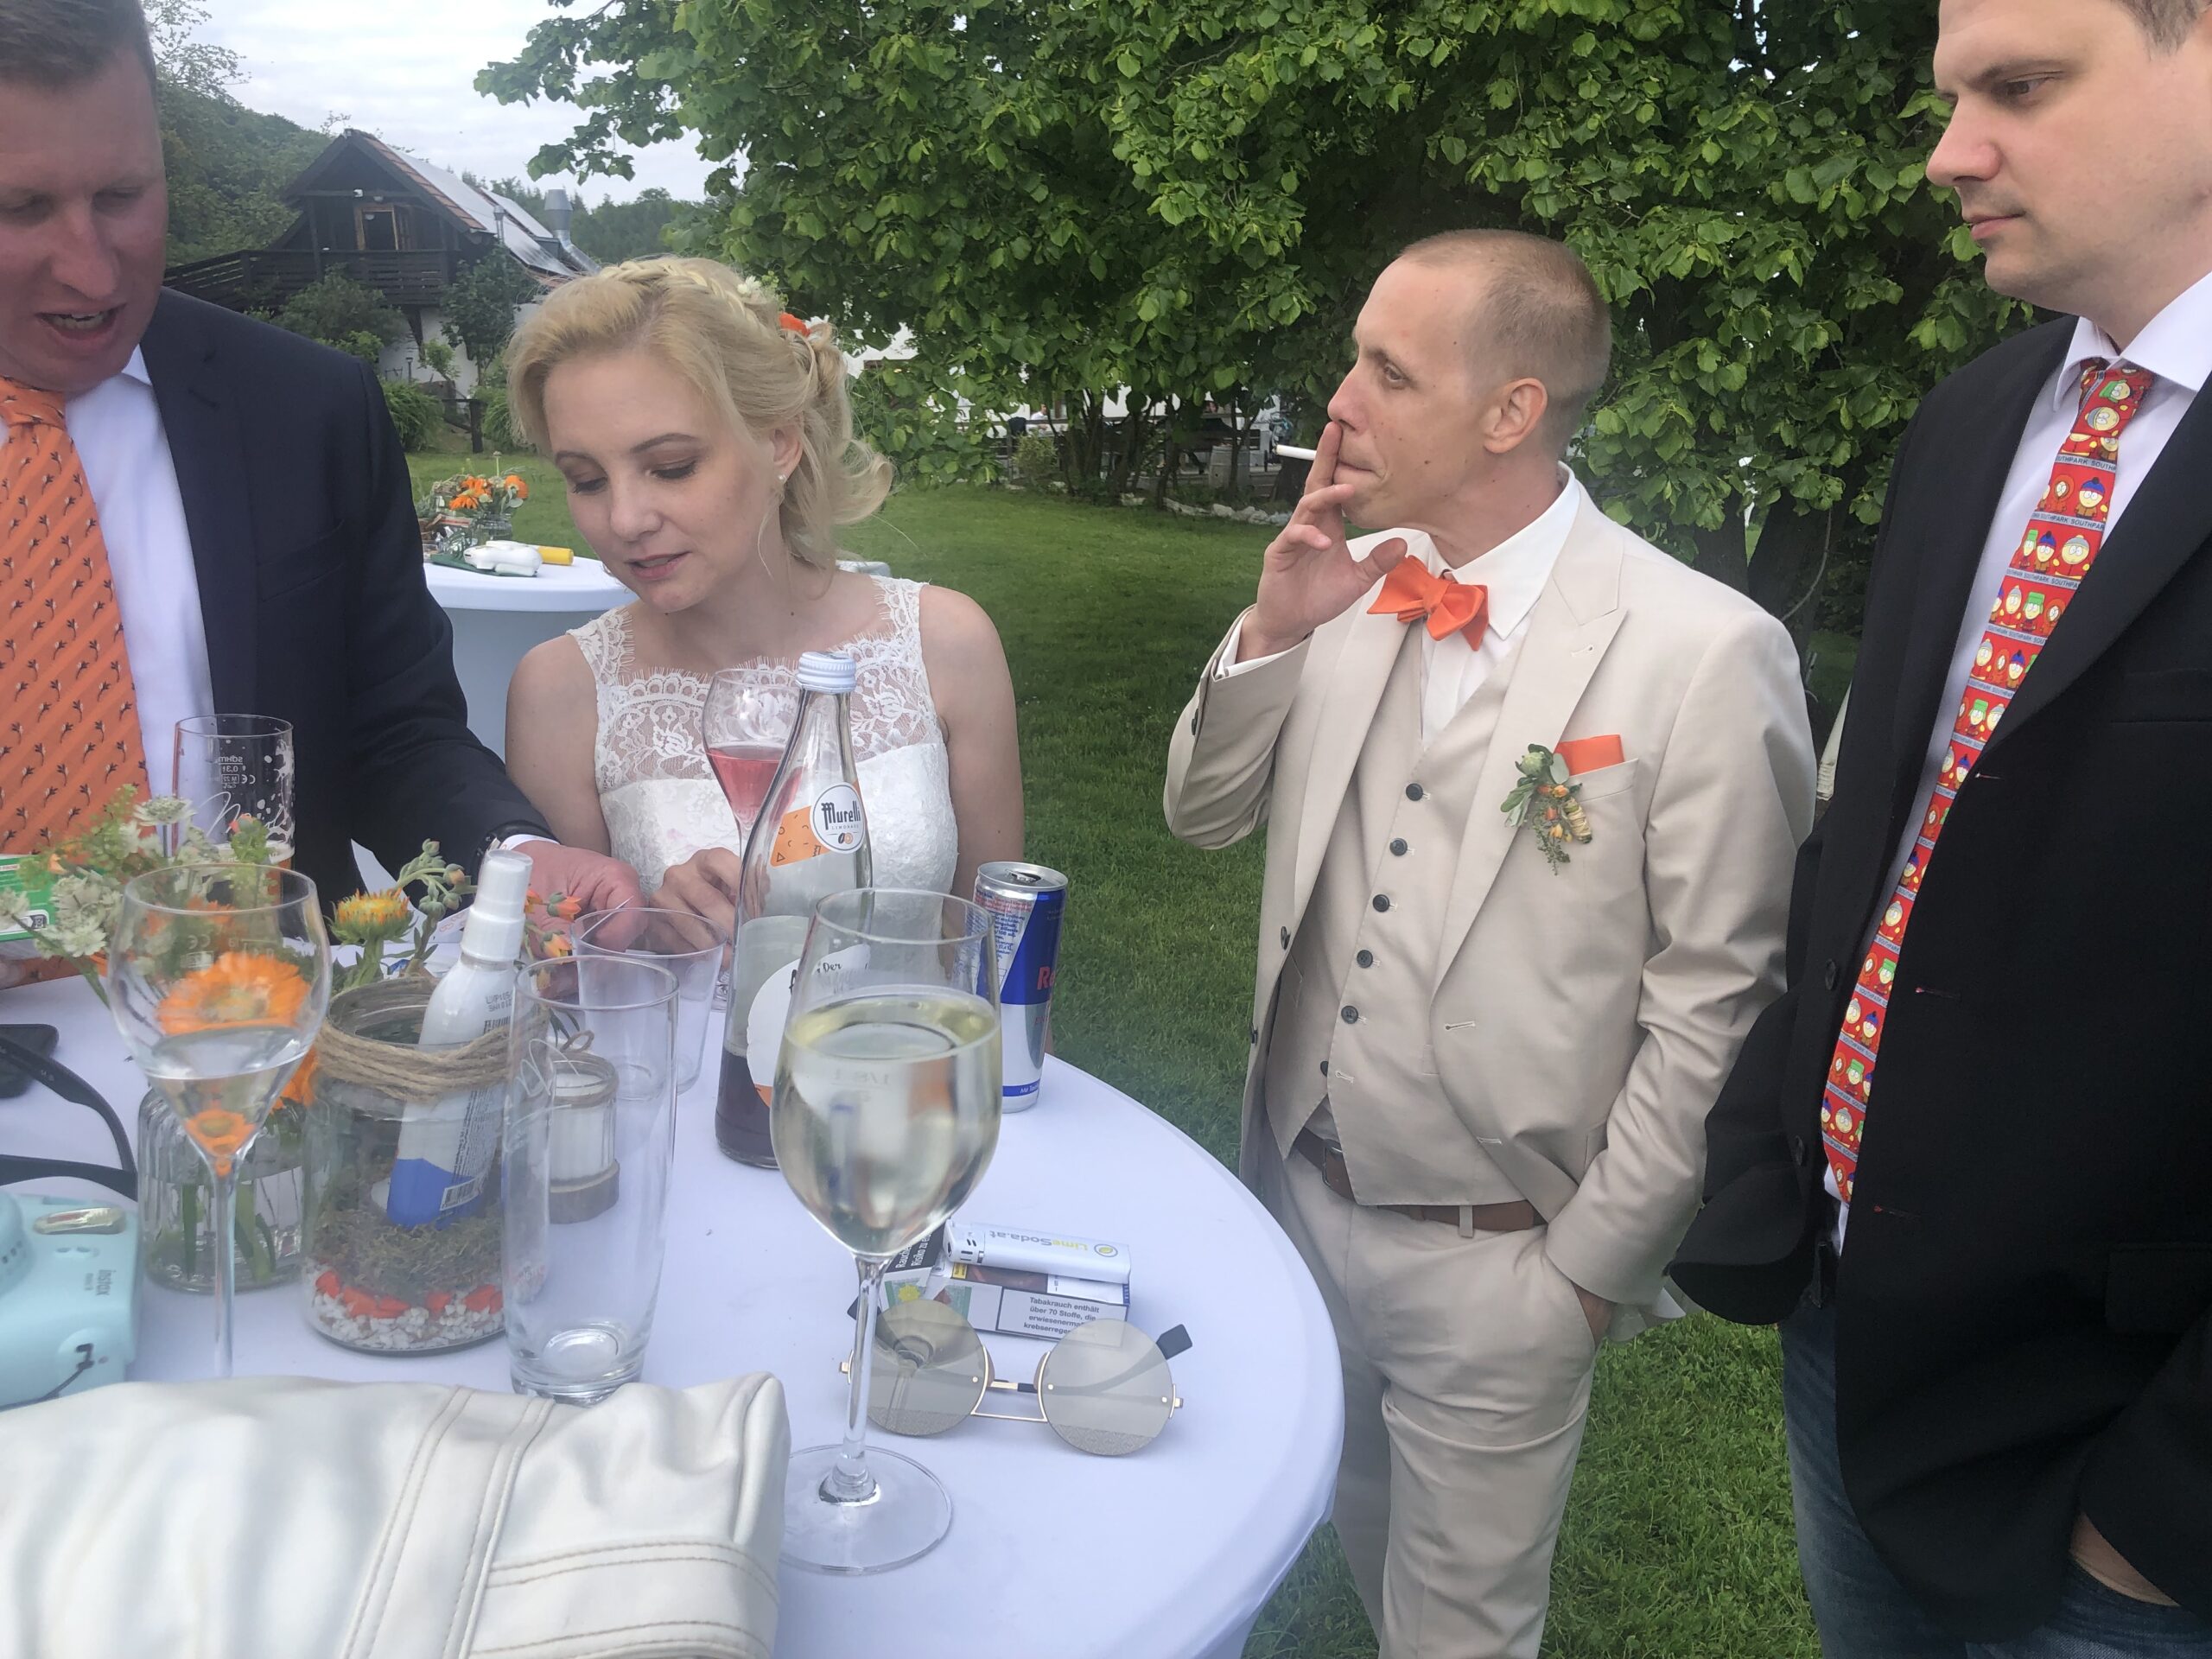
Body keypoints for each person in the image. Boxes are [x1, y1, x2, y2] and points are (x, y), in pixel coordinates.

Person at [1162, 230, 1815, 1657]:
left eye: (1389, 373)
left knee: (1461, 1632)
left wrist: (1585, 1273)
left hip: (1503, 1259)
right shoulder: (1348, 579)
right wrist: (1274, 628)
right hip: (1295, 1196)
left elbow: (1719, 999)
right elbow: (1200, 815)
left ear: (1513, 411)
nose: (1341, 402)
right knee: (1353, 1520)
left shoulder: (1702, 650)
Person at [1669, 0, 2212, 1652]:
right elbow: (1884, 827)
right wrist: (1771, 1163)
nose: (1947, 153)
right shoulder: (1978, 419)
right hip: (1851, 1336)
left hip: (2120, 1457)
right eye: (1951, 94)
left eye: (2020, 87)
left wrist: (2161, 1517)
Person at [0, 0, 639, 992]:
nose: (89, 269)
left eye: (122, 195)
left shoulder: (306, 409)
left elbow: (392, 729)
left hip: (271, 1023)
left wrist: (512, 858)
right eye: (19, 209)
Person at [500, 257, 1020, 930]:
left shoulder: (944, 644)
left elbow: (998, 945)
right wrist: (648, 937)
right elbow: (563, 971)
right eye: (587, 480)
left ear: (779, 443)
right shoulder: (560, 691)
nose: (625, 520)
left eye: (672, 467)